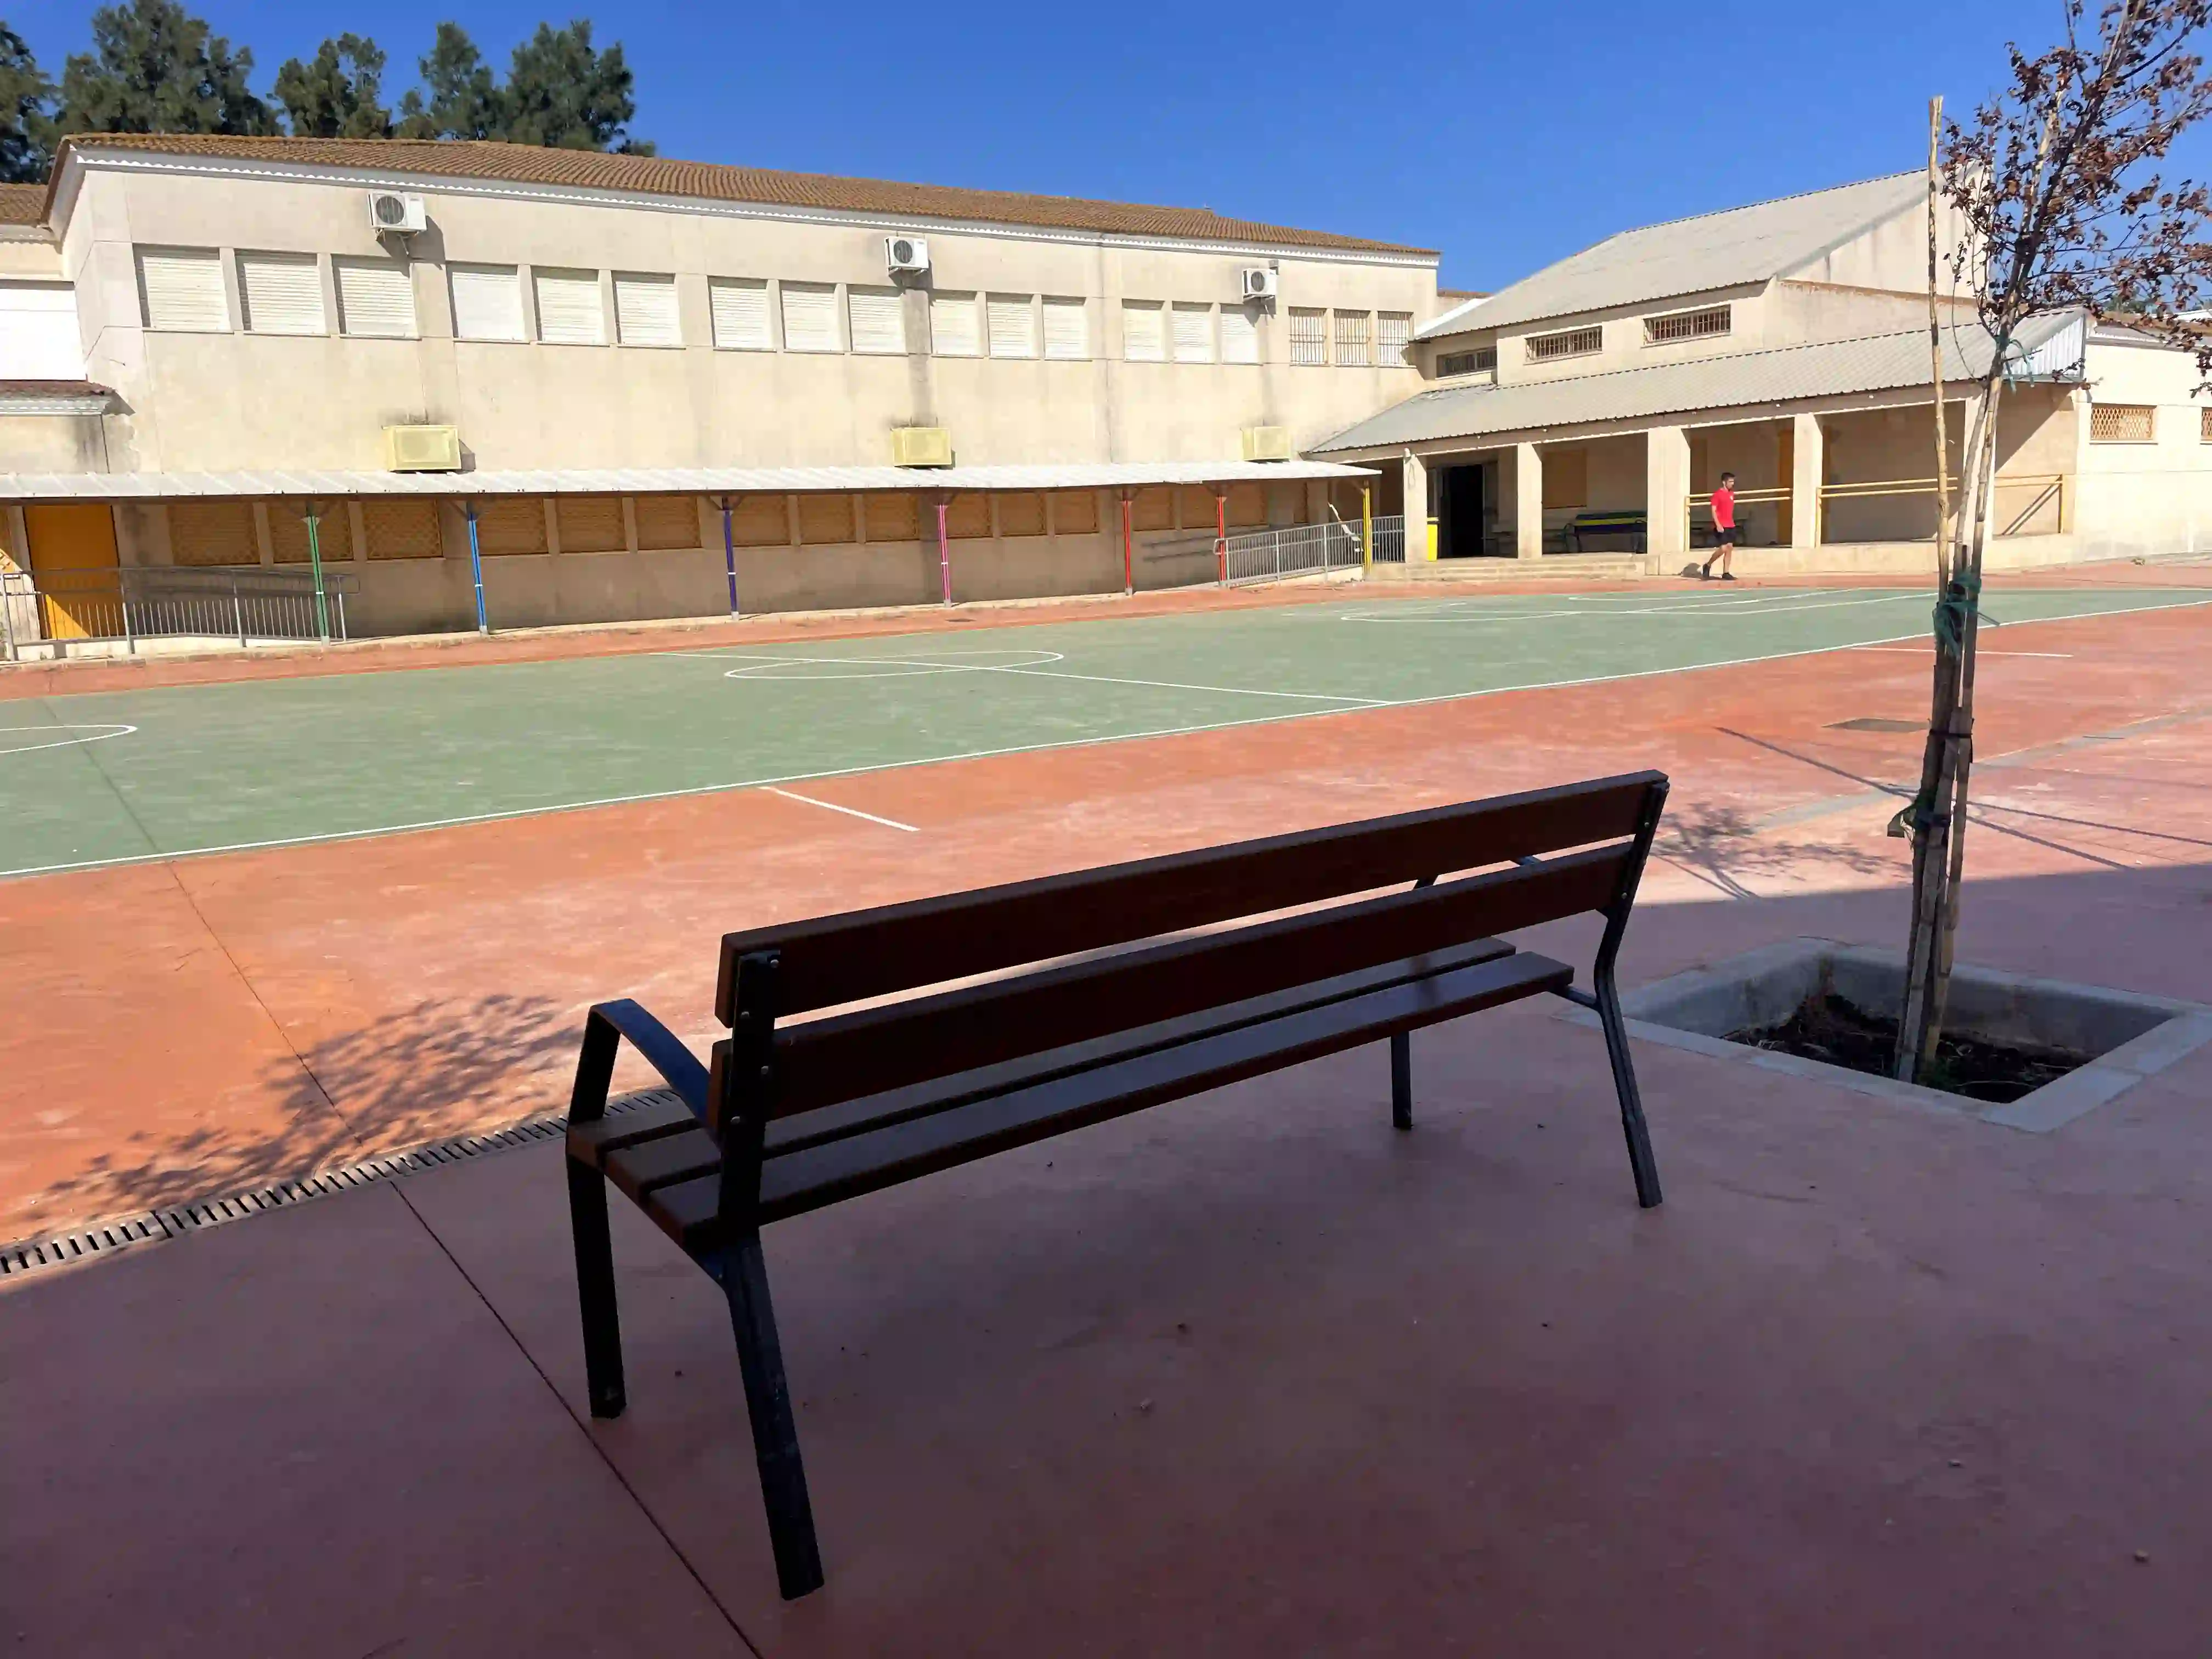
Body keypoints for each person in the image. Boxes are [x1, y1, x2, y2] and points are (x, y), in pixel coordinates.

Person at [1701, 472, 1740, 580]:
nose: (1732, 484)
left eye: (1733, 481)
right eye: (1730, 481)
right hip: (1721, 525)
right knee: (1723, 548)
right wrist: (1718, 524)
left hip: (1731, 524)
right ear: (1724, 482)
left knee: (1730, 548)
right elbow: (1713, 510)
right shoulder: (1717, 494)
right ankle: (1708, 565)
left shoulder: (1732, 494)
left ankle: (1726, 572)